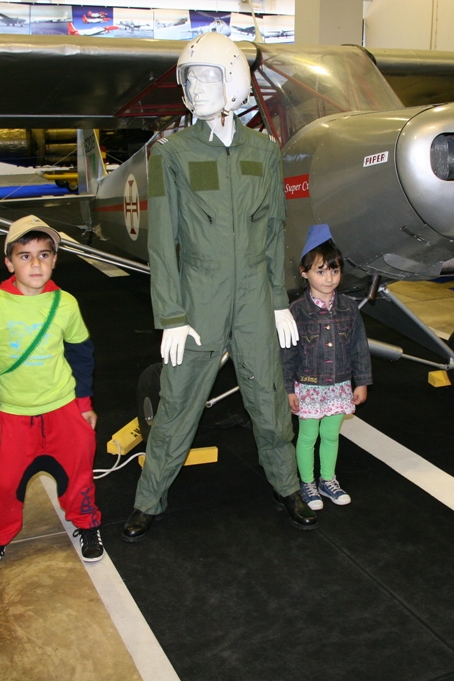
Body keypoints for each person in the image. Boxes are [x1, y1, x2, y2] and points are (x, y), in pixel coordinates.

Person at [122, 32, 315, 542]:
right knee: (178, 400)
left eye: (207, 75)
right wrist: (171, 314)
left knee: (269, 398)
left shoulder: (263, 151)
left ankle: (287, 486)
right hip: (199, 297)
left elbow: (275, 228)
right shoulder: (174, 153)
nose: (197, 87)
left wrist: (277, 300)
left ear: (232, 81)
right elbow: (163, 241)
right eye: (190, 78)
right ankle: (149, 500)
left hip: (255, 296)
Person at [0, 215, 102, 582]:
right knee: (6, 485)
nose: (35, 263)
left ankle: (86, 524)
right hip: (12, 415)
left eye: (44, 254)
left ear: (55, 259)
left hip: (62, 409)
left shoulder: (66, 303)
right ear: (9, 263)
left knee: (79, 473)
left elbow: (81, 354)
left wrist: (83, 404)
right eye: (25, 256)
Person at [281, 225, 372, 510]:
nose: (329, 278)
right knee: (308, 436)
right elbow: (287, 353)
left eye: (334, 270)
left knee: (331, 435)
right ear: (304, 272)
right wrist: (287, 389)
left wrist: (361, 382)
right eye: (321, 271)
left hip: (339, 384)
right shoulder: (296, 311)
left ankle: (327, 480)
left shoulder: (349, 308)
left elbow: (359, 346)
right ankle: (306, 483)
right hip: (308, 385)